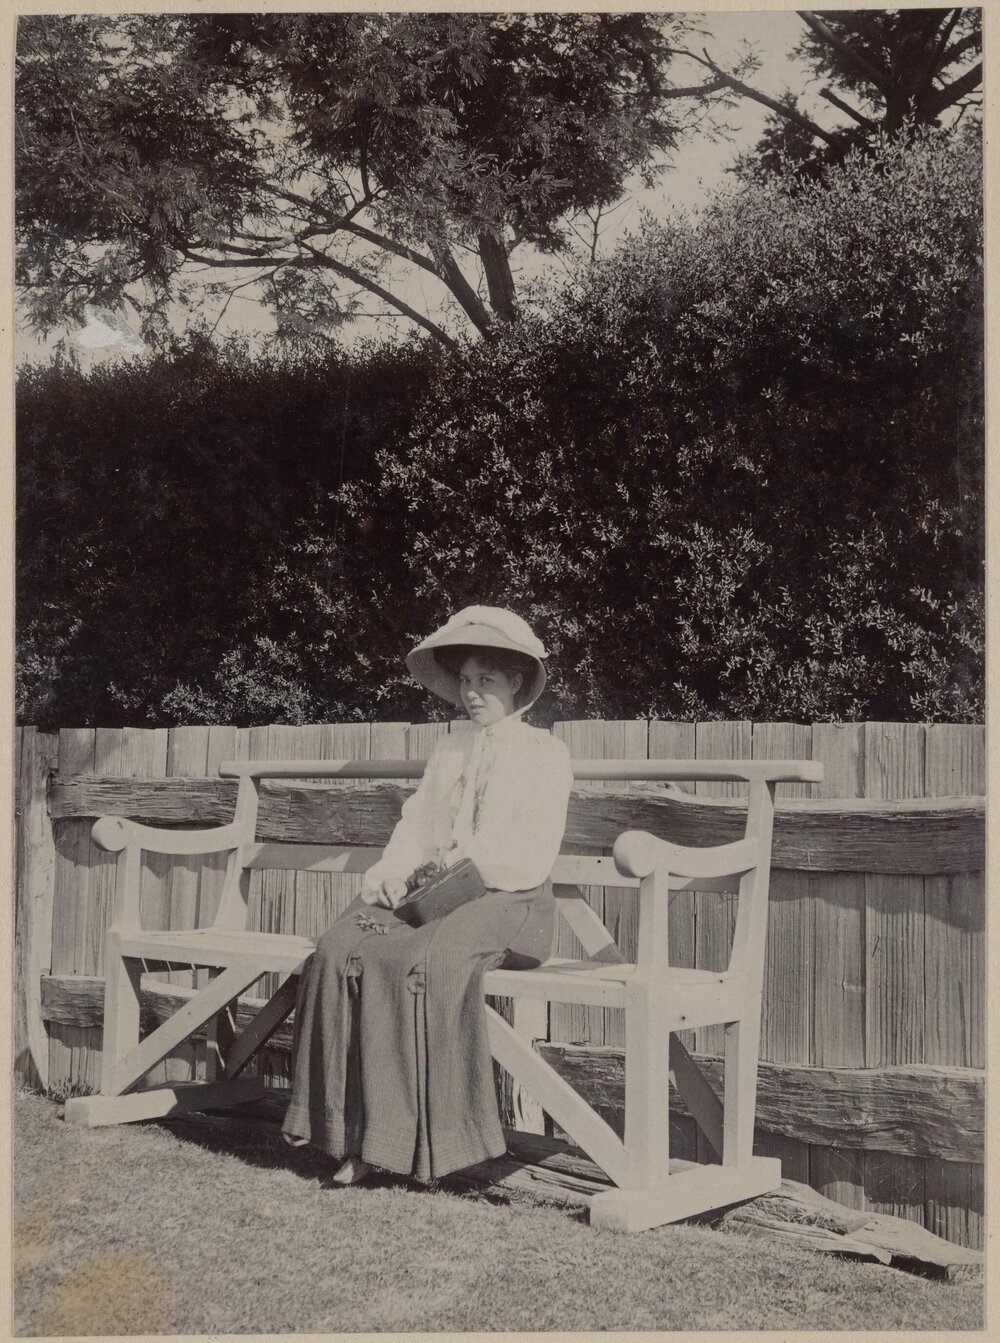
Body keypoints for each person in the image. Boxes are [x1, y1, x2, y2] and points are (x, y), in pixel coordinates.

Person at [281, 605, 574, 1184]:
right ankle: (345, 1133)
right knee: (340, 946)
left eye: (485, 680)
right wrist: (394, 874)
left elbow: (528, 853)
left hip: (509, 901)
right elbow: (416, 826)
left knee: (413, 959)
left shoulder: (546, 754)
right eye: (464, 680)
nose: (471, 693)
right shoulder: (450, 750)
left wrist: (447, 872)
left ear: (516, 682)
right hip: (434, 892)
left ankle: (416, 1145)